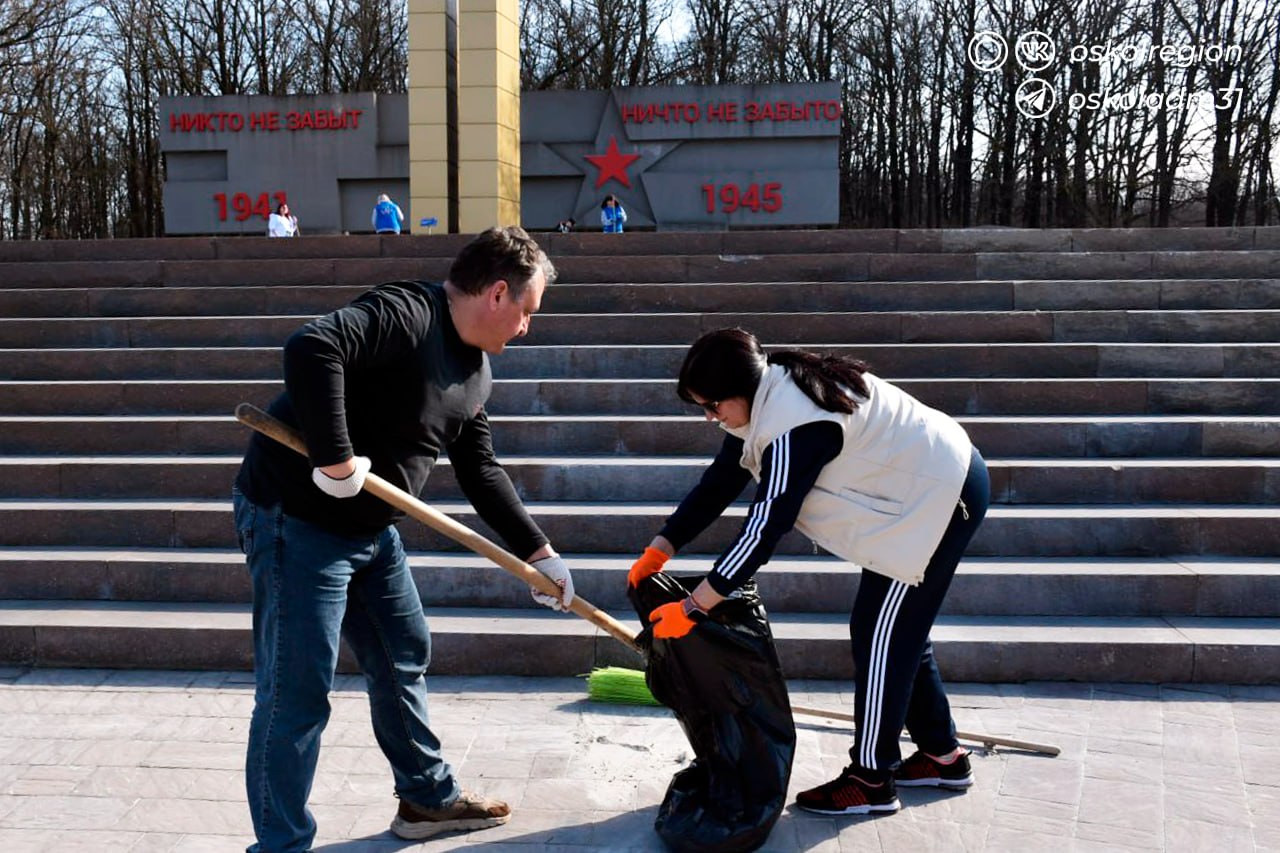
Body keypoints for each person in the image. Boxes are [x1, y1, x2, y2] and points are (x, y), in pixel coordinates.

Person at [233, 226, 575, 852]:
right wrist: (335, 458)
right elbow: (312, 347)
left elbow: (481, 469)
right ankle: (281, 845)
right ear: (498, 293)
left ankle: (426, 799)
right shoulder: (409, 313)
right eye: (527, 311)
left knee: (403, 652)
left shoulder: (476, 372)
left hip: (371, 530)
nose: (527, 327)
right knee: (296, 689)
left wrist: (540, 554)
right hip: (296, 520)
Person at [626, 328, 989, 817]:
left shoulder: (795, 425)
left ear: (739, 388)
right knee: (892, 632)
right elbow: (722, 479)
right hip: (923, 488)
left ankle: (871, 780)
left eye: (712, 406)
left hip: (939, 496)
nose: (710, 417)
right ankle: (942, 756)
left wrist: (694, 606)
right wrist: (661, 547)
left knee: (882, 636)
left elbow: (765, 528)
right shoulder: (764, 396)